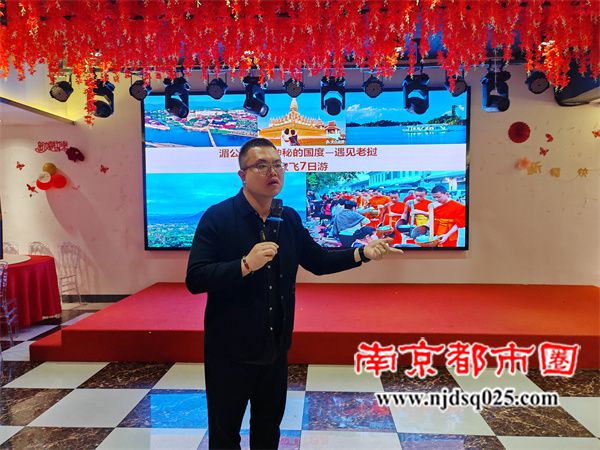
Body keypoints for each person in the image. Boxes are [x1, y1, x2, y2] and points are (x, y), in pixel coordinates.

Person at [186, 138, 402, 450]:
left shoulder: (287, 218)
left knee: (268, 429)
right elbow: (195, 278)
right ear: (242, 175)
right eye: (262, 165)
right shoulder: (218, 217)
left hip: (275, 346)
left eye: (277, 165)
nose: (272, 172)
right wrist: (244, 265)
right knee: (224, 434)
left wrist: (362, 253)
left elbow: (318, 261)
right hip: (229, 350)